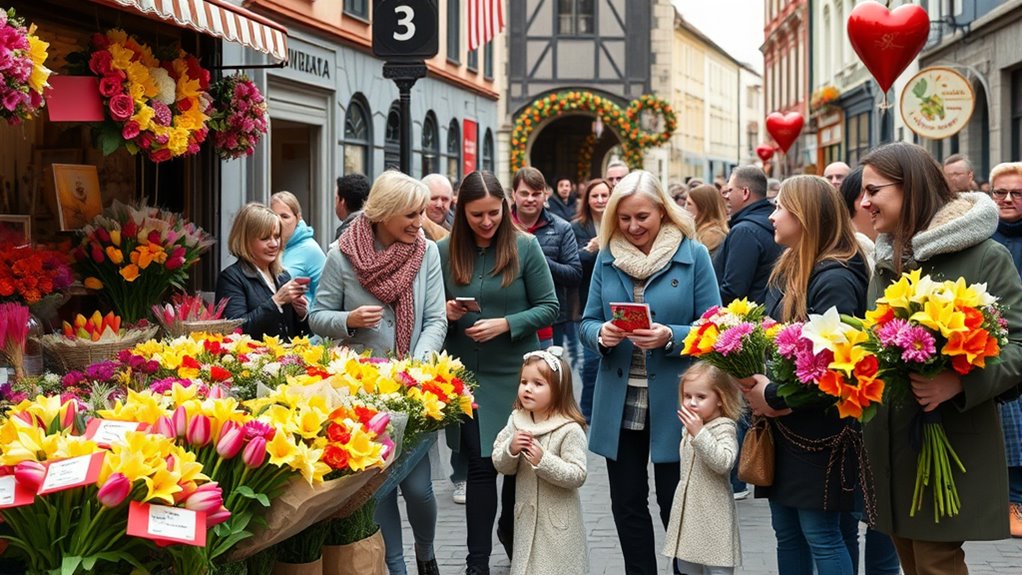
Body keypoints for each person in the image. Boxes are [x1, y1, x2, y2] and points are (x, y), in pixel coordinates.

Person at [859, 142, 1022, 574]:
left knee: (936, 562)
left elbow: (1019, 347)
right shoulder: (885, 257)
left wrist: (959, 382)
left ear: (908, 188)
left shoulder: (986, 256)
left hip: (949, 439)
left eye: (873, 190)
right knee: (912, 561)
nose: (864, 202)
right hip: (890, 444)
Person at [579, 170, 722, 575]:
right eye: (624, 219)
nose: (633, 226)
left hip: (678, 401)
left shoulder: (694, 255)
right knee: (626, 503)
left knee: (673, 502)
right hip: (619, 399)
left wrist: (670, 336)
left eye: (642, 217)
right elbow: (587, 321)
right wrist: (601, 334)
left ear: (662, 211)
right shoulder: (607, 256)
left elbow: (716, 328)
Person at [308, 171, 447, 575]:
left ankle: (426, 553)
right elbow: (317, 316)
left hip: (414, 389)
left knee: (419, 490)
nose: (419, 221)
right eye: (411, 213)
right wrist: (347, 319)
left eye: (421, 212)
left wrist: (417, 370)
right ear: (384, 213)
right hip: (363, 391)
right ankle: (397, 567)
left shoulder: (427, 253)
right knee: (379, 490)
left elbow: (436, 319)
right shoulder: (341, 255)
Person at [740, 175, 869, 575]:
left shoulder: (834, 277)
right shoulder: (793, 264)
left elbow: (835, 367)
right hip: (790, 428)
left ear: (806, 215)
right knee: (788, 531)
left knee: (821, 534)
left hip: (820, 431)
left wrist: (775, 396)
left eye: (780, 207)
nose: (773, 216)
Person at [438, 170, 559, 575]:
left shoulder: (525, 247)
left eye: (493, 213)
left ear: (505, 208)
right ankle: (477, 563)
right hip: (468, 376)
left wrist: (507, 323)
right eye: (477, 216)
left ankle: (511, 533)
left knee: (515, 465)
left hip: (517, 376)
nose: (487, 222)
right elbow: (429, 310)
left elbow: (549, 306)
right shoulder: (442, 250)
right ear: (462, 212)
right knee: (480, 464)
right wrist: (449, 311)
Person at [492, 347, 589, 575]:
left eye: (538, 383)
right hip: (525, 521)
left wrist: (543, 461)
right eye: (524, 381)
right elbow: (500, 464)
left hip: (558, 527)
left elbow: (577, 475)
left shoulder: (569, 429)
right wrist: (511, 449)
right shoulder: (516, 420)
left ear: (558, 390)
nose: (528, 388)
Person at [662, 362, 743, 575]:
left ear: (720, 398)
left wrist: (699, 434)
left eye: (701, 397)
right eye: (687, 396)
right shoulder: (691, 428)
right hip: (691, 513)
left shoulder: (724, 427)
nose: (692, 403)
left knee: (717, 567)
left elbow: (724, 462)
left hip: (714, 515)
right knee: (688, 566)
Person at [511, 167, 582, 354]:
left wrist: (538, 260)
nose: (530, 199)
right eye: (524, 193)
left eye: (536, 194)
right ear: (513, 194)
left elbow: (574, 274)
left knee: (545, 380)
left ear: (546, 195)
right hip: (506, 318)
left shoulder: (562, 228)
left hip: (549, 324)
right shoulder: (500, 225)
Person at [987, 161, 1022, 538]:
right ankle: (1013, 502)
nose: (1007, 199)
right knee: (1012, 429)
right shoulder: (986, 241)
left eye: (1016, 193)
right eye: (1000, 192)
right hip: (1004, 343)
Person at [215, 203, 309, 339]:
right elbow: (235, 330)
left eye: (276, 236)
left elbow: (299, 334)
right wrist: (276, 301)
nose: (274, 244)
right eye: (265, 238)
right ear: (245, 240)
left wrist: (302, 314)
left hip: (287, 358)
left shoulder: (283, 276)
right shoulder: (231, 278)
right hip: (253, 358)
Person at [571, 178, 611, 421]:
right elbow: (574, 263)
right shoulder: (578, 227)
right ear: (587, 200)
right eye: (594, 196)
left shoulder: (619, 222)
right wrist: (590, 250)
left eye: (604, 195)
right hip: (587, 299)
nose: (599, 200)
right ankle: (586, 411)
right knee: (591, 361)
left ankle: (606, 410)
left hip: (614, 298)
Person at [716, 165, 784, 305]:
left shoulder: (744, 231)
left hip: (747, 318)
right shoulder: (771, 220)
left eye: (730, 190)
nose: (726, 197)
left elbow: (733, 290)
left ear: (745, 192)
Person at [270, 191, 326, 305]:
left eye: (285, 216)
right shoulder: (267, 247)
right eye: (274, 216)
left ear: (298, 218)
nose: (279, 221)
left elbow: (328, 300)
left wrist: (305, 311)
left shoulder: (311, 250)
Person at [684, 184, 730, 258]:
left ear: (702, 208)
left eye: (689, 204)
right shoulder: (698, 228)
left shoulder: (712, 235)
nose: (685, 208)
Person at [334, 173, 371, 240]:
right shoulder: (376, 230)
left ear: (342, 201)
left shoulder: (345, 237)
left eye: (336, 199)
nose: (335, 205)